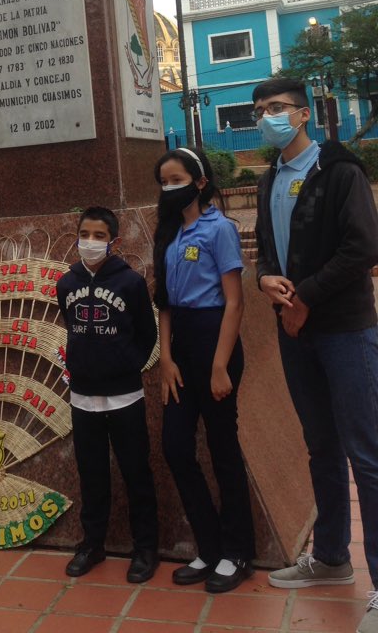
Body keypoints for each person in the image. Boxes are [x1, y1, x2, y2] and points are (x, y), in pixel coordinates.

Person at [253, 78, 378, 633]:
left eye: (277, 108)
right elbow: (264, 248)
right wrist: (266, 282)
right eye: (260, 111)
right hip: (294, 332)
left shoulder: (340, 170)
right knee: (320, 448)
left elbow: (363, 248)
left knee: (367, 456)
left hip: (345, 330)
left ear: (303, 114)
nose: (267, 118)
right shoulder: (268, 180)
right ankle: (330, 558)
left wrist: (305, 297)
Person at [153, 147, 255, 593]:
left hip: (217, 342)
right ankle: (209, 545)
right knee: (175, 446)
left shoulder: (220, 230)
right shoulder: (170, 234)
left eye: (176, 179)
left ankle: (237, 551)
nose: (168, 188)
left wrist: (219, 366)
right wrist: (166, 359)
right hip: (181, 348)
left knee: (222, 447)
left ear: (198, 182)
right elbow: (166, 305)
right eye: (162, 181)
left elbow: (235, 300)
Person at [56, 206, 160, 583]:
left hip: (124, 397)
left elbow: (147, 335)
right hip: (83, 397)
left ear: (114, 242)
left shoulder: (130, 283)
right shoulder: (66, 284)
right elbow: (71, 326)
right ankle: (92, 543)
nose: (91, 242)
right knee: (91, 473)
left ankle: (146, 547)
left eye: (99, 236)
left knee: (136, 471)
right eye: (85, 233)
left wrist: (123, 364)